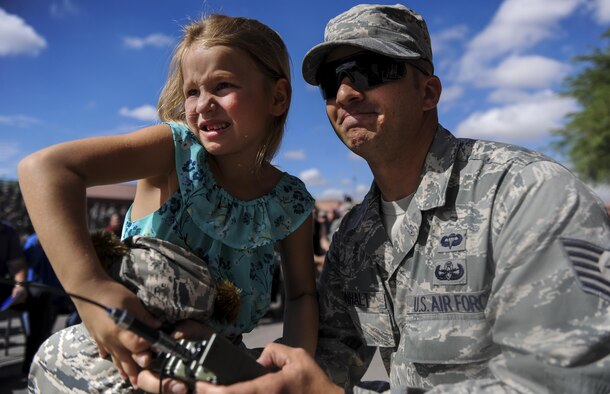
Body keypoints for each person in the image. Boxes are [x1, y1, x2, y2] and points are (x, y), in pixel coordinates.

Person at [177, 4, 610, 394]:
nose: (346, 93)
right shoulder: (356, 235)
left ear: (428, 93)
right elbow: (323, 363)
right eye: (332, 81)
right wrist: (208, 363)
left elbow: (567, 380)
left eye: (370, 70)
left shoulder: (524, 193)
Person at [18, 13, 318, 393]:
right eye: (192, 91)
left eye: (222, 85)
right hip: (110, 368)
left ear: (277, 97)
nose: (203, 104)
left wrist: (290, 374)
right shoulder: (173, 152)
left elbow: (302, 294)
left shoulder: (289, 201)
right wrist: (91, 291)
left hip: (214, 375)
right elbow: (44, 169)